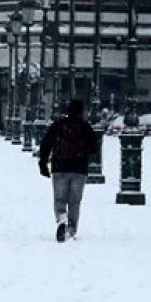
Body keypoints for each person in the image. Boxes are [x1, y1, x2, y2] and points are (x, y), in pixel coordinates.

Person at [38, 99, 98, 242]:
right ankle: (71, 229)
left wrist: (43, 163)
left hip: (60, 167)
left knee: (60, 199)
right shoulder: (85, 127)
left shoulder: (58, 125)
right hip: (79, 169)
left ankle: (61, 219)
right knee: (74, 202)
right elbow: (94, 147)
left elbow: (46, 144)